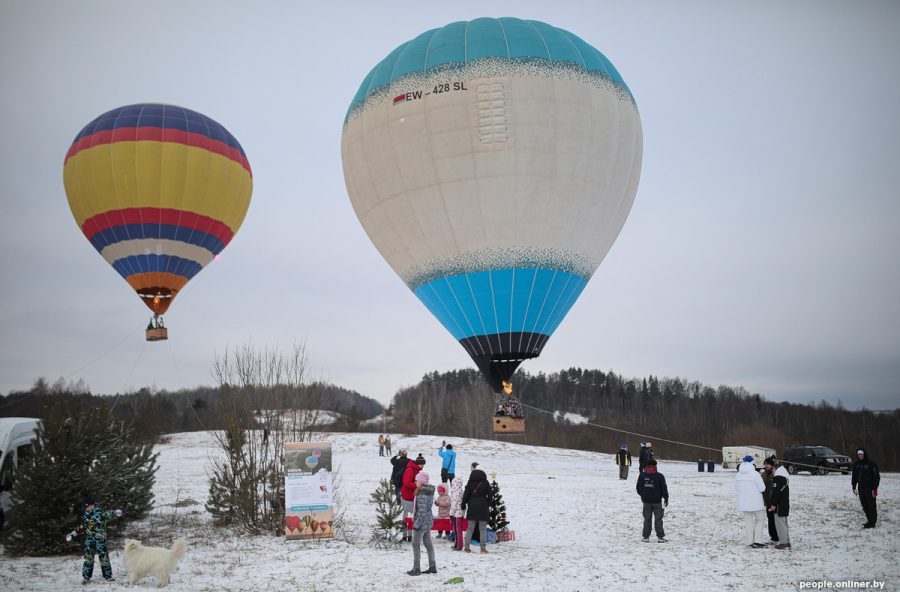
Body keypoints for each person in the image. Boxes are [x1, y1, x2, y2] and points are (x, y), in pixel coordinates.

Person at [66, 496, 122, 584]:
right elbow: (82, 527)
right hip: (89, 540)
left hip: (100, 539)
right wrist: (73, 534)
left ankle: (108, 576)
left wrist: (115, 513)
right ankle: (86, 577)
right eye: (87, 507)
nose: (89, 508)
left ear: (93, 505)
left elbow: (108, 514)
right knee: (88, 558)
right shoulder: (86, 516)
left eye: (90, 506)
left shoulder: (100, 513)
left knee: (103, 557)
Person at [734, 455, 767, 548]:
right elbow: (762, 488)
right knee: (760, 520)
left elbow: (736, 488)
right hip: (756, 503)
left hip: (744, 503)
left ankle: (749, 541)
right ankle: (758, 540)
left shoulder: (738, 474)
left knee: (748, 522)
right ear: (752, 464)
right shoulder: (755, 474)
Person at [407, 472, 437, 576]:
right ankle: (432, 566)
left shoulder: (422, 494)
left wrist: (416, 524)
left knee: (415, 544)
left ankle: (416, 568)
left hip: (421, 523)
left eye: (417, 481)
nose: (415, 483)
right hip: (427, 522)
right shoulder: (426, 492)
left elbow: (422, 511)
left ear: (422, 482)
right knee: (428, 543)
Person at [636, 458, 668, 542]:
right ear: (655, 466)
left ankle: (646, 537)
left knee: (647, 519)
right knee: (658, 519)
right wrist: (666, 498)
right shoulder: (660, 476)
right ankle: (660, 537)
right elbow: (664, 488)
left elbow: (638, 488)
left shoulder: (642, 475)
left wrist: (643, 495)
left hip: (646, 501)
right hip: (657, 502)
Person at [461, 466, 492, 553]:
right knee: (482, 528)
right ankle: (483, 548)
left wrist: (463, 505)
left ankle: (466, 547)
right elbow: (490, 496)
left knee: (470, 528)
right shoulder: (485, 483)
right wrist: (488, 504)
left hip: (472, 507)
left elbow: (465, 495)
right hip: (483, 507)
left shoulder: (470, 483)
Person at [851, 448, 880, 529]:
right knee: (865, 505)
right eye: (859, 454)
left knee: (871, 505)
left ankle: (872, 522)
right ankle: (869, 520)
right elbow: (854, 476)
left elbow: (876, 477)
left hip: (870, 488)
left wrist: (875, 488)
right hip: (861, 488)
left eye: (861, 454)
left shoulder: (871, 464)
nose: (860, 456)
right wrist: (853, 486)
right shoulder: (856, 465)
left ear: (864, 454)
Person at [401, 455, 426, 539]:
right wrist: (416, 485)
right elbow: (406, 483)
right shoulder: (410, 470)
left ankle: (410, 534)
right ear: (418, 464)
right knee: (407, 515)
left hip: (412, 496)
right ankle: (404, 534)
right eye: (422, 464)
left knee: (412, 516)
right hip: (407, 496)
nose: (423, 466)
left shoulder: (416, 470)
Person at [770, 460, 791, 549]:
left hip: (779, 505)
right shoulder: (784, 477)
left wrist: (773, 504)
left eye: (773, 468)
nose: (772, 470)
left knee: (780, 524)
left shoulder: (778, 478)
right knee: (784, 523)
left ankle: (783, 542)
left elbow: (776, 492)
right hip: (785, 504)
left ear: (775, 468)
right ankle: (787, 541)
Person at [761, 456, 779, 543]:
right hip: (767, 500)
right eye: (765, 464)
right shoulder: (763, 474)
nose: (766, 465)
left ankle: (778, 535)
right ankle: (772, 535)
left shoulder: (776, 474)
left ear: (772, 465)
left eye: (768, 464)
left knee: (776, 518)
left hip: (775, 500)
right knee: (770, 518)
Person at [448, 472, 466, 551]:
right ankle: (457, 544)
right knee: (457, 529)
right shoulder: (461, 491)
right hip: (460, 513)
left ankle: (459, 545)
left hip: (456, 514)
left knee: (457, 529)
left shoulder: (456, 492)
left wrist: (451, 514)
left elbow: (454, 504)